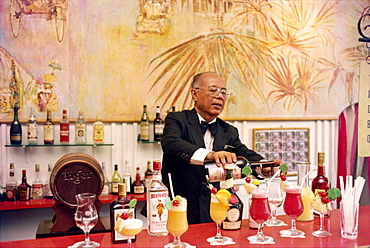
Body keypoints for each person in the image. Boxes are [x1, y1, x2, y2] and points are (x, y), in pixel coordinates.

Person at [161, 72, 281, 224]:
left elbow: (243, 152)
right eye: (213, 90)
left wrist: (264, 165)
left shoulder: (229, 130)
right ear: (194, 94)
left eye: (224, 92)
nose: (220, 96)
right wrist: (210, 155)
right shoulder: (177, 119)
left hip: (214, 211)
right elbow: (170, 143)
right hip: (179, 208)